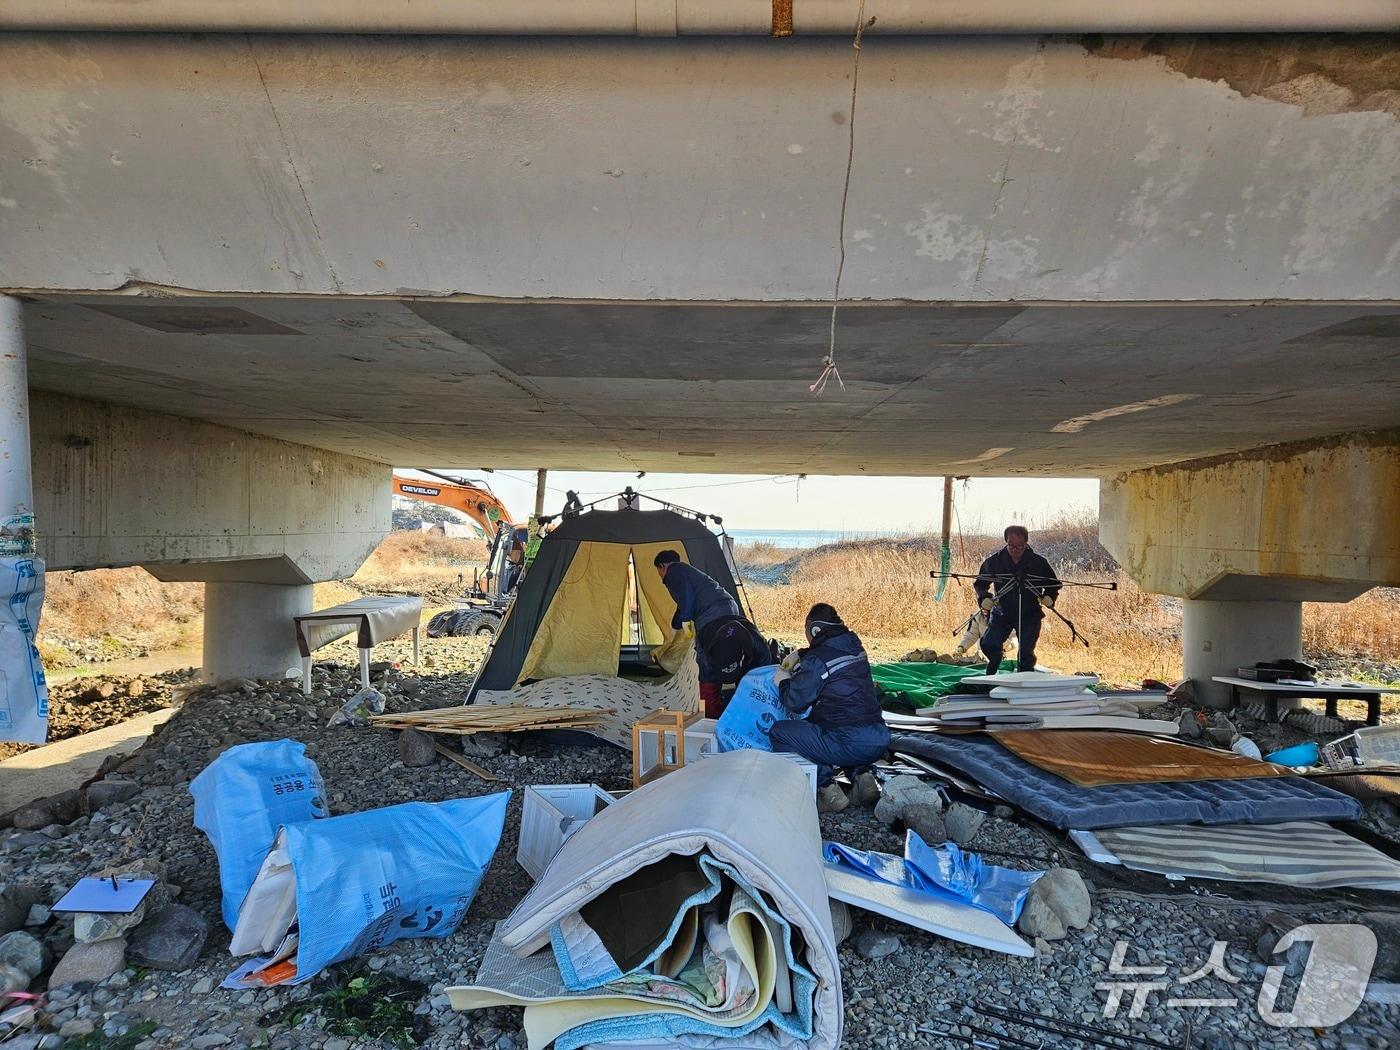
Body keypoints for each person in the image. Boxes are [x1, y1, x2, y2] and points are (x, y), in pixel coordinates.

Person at [770, 604, 889, 814]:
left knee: (780, 733)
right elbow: (830, 656)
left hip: (848, 741)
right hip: (878, 738)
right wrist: (803, 654)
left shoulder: (818, 661)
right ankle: (864, 779)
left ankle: (828, 791)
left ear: (814, 630)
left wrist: (784, 681)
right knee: (830, 722)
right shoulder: (855, 645)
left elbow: (795, 702)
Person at [654, 549, 768, 717]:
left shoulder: (674, 571)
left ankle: (711, 712)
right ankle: (737, 702)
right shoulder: (690, 572)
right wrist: (677, 623)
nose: (660, 576)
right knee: (732, 648)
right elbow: (684, 602)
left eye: (658, 572)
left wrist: (685, 619)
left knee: (707, 658)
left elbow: (687, 599)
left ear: (662, 566)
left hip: (711, 614)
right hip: (729, 606)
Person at [973, 525, 1061, 674]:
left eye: (1019, 546)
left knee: (1026, 653)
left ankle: (1024, 679)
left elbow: (1053, 584)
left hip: (1030, 613)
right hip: (1002, 612)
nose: (1015, 549)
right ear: (1006, 542)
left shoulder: (1038, 562)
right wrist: (984, 598)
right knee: (989, 644)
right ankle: (993, 668)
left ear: (1026, 543)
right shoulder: (995, 561)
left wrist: (1049, 597)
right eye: (1011, 545)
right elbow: (980, 584)